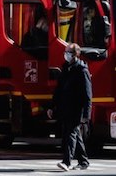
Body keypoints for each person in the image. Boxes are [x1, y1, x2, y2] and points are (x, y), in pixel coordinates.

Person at [47, 43, 92, 171]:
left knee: (70, 134)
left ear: (76, 55)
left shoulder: (82, 70)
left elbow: (88, 94)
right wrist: (52, 106)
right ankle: (83, 161)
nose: (66, 55)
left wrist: (86, 115)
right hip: (65, 108)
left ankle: (67, 161)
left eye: (69, 52)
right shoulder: (66, 68)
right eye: (65, 52)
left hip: (76, 109)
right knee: (75, 134)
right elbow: (58, 90)